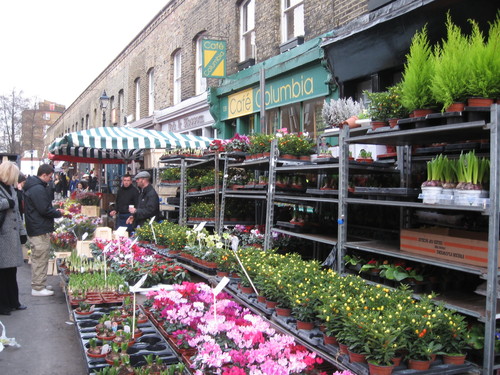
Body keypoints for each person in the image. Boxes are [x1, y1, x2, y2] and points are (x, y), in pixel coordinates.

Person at [24, 164, 64, 296]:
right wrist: (58, 213)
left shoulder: (35, 187)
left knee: (40, 256)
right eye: (50, 177)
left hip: (37, 226)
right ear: (44, 175)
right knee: (40, 257)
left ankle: (40, 283)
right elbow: (44, 209)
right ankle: (38, 287)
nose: (51, 179)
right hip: (38, 227)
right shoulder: (37, 189)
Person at [0, 162, 28, 314]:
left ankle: (14, 301)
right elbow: (8, 205)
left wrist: (22, 232)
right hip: (2, 236)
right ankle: (3, 305)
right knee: (2, 273)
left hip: (11, 235)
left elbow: (17, 213)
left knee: (11, 271)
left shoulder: (11, 188)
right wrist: (6, 203)